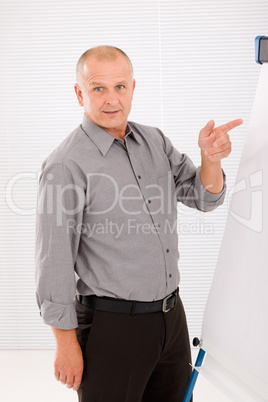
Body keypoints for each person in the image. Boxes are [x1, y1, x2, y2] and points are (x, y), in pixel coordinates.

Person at [35, 45, 243, 402]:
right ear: (79, 93)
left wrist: (210, 159)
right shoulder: (65, 166)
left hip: (171, 318)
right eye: (98, 88)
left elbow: (204, 197)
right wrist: (65, 343)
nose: (111, 99)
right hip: (111, 327)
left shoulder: (154, 141)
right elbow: (52, 264)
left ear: (133, 87)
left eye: (120, 87)